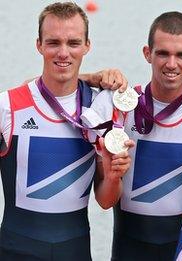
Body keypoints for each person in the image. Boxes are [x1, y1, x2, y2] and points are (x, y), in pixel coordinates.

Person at [81, 11, 182, 260]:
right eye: (162, 53)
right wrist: (89, 78)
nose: (171, 64)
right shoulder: (119, 107)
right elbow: (104, 201)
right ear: (147, 53)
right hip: (128, 251)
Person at [0, 2, 133, 260]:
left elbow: (106, 201)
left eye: (73, 43)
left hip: (75, 252)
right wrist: (91, 75)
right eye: (53, 43)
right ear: (39, 45)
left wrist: (115, 175)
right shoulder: (7, 106)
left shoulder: (100, 108)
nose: (63, 53)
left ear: (87, 45)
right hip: (13, 251)